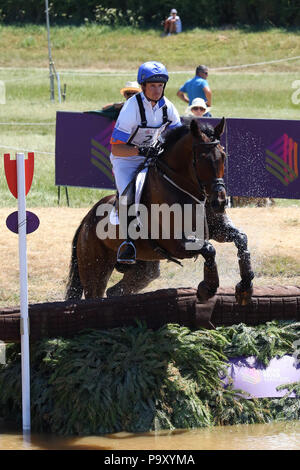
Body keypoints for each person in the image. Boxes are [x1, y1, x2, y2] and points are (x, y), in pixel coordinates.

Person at [110, 61, 182, 264]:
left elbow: (178, 135)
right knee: (128, 195)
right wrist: (140, 150)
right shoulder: (130, 109)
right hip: (126, 159)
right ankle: (128, 243)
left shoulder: (168, 107)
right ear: (143, 86)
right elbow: (116, 148)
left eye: (160, 85)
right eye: (152, 85)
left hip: (152, 156)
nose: (157, 90)